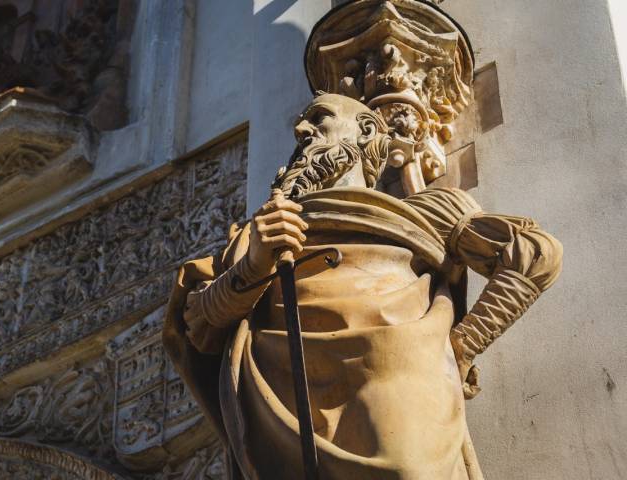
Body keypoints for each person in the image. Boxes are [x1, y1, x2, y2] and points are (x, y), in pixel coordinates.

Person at [164, 93, 562, 479]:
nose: (302, 130)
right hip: (285, 408)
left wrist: (462, 346)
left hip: (400, 388)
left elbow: (534, 254)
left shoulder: (423, 213)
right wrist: (251, 268)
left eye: (319, 118)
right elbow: (197, 323)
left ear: (367, 130)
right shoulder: (258, 233)